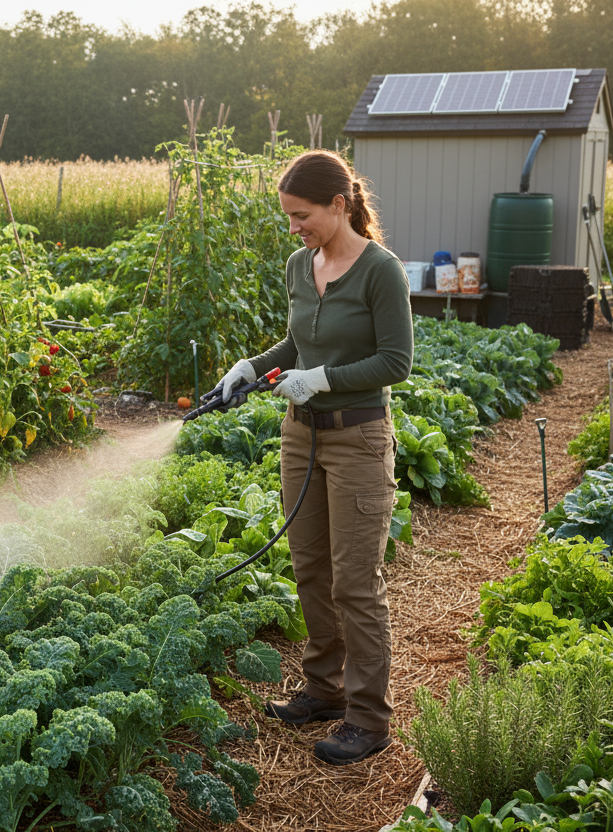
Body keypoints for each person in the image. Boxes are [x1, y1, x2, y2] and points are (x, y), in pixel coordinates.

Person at [215, 149, 413, 765]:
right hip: (301, 436)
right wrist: (255, 365)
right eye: (288, 218)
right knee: (310, 570)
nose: (294, 228)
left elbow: (396, 362)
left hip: (357, 438)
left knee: (356, 584)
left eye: (302, 216)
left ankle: (368, 718)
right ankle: (323, 691)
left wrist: (323, 379)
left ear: (339, 204)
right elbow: (298, 343)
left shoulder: (380, 271)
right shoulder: (300, 267)